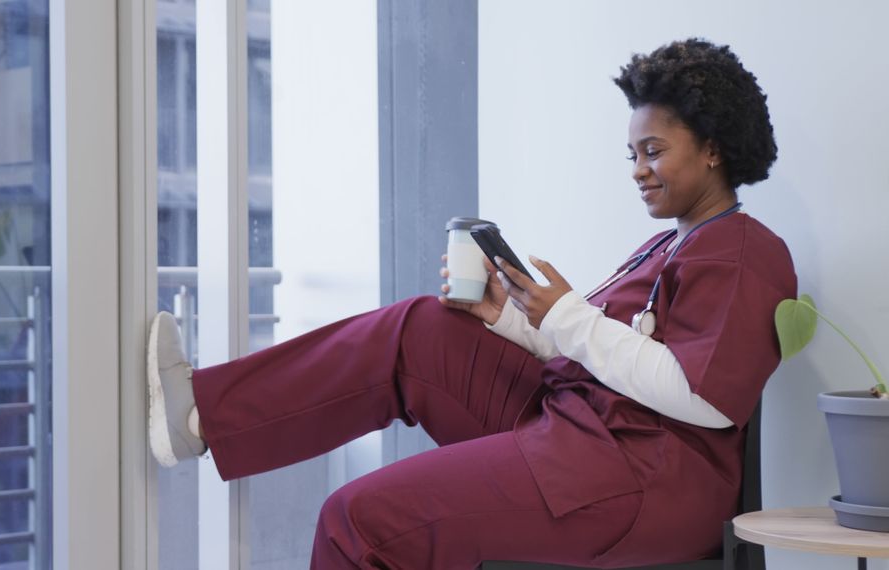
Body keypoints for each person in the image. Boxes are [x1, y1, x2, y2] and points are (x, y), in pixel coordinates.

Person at [147, 38, 797, 569]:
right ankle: (203, 417)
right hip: (579, 428)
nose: (637, 169)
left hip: (636, 477)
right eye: (632, 153)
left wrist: (566, 315)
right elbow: (597, 353)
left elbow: (707, 398)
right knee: (420, 328)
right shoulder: (667, 244)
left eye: (654, 151)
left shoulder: (744, 251)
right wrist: (512, 316)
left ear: (713, 148)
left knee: (358, 521)